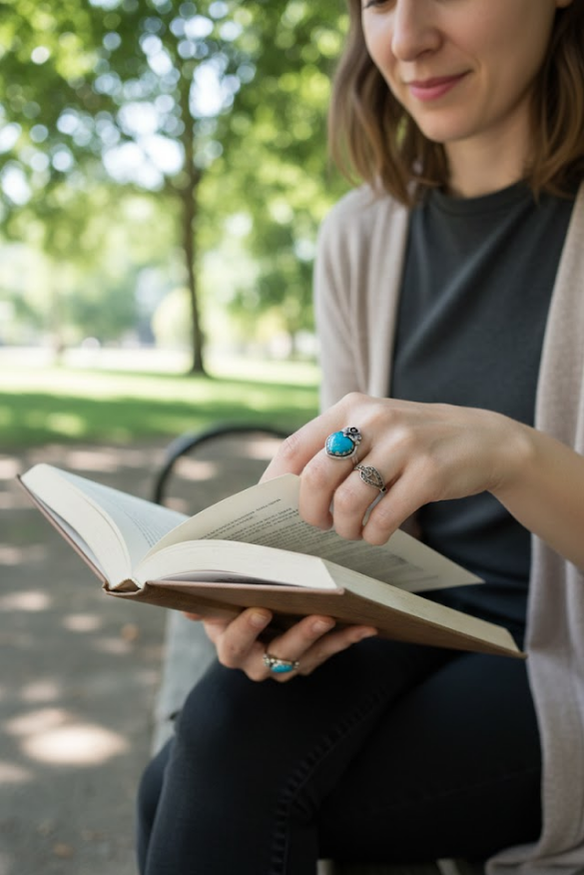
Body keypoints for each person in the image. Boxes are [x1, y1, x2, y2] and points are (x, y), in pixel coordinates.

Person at [137, 1, 584, 873]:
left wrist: (512, 454)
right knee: (222, 728)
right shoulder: (359, 235)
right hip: (416, 621)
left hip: (558, 662)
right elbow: (365, 520)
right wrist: (273, 596)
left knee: (204, 792)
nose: (406, 38)